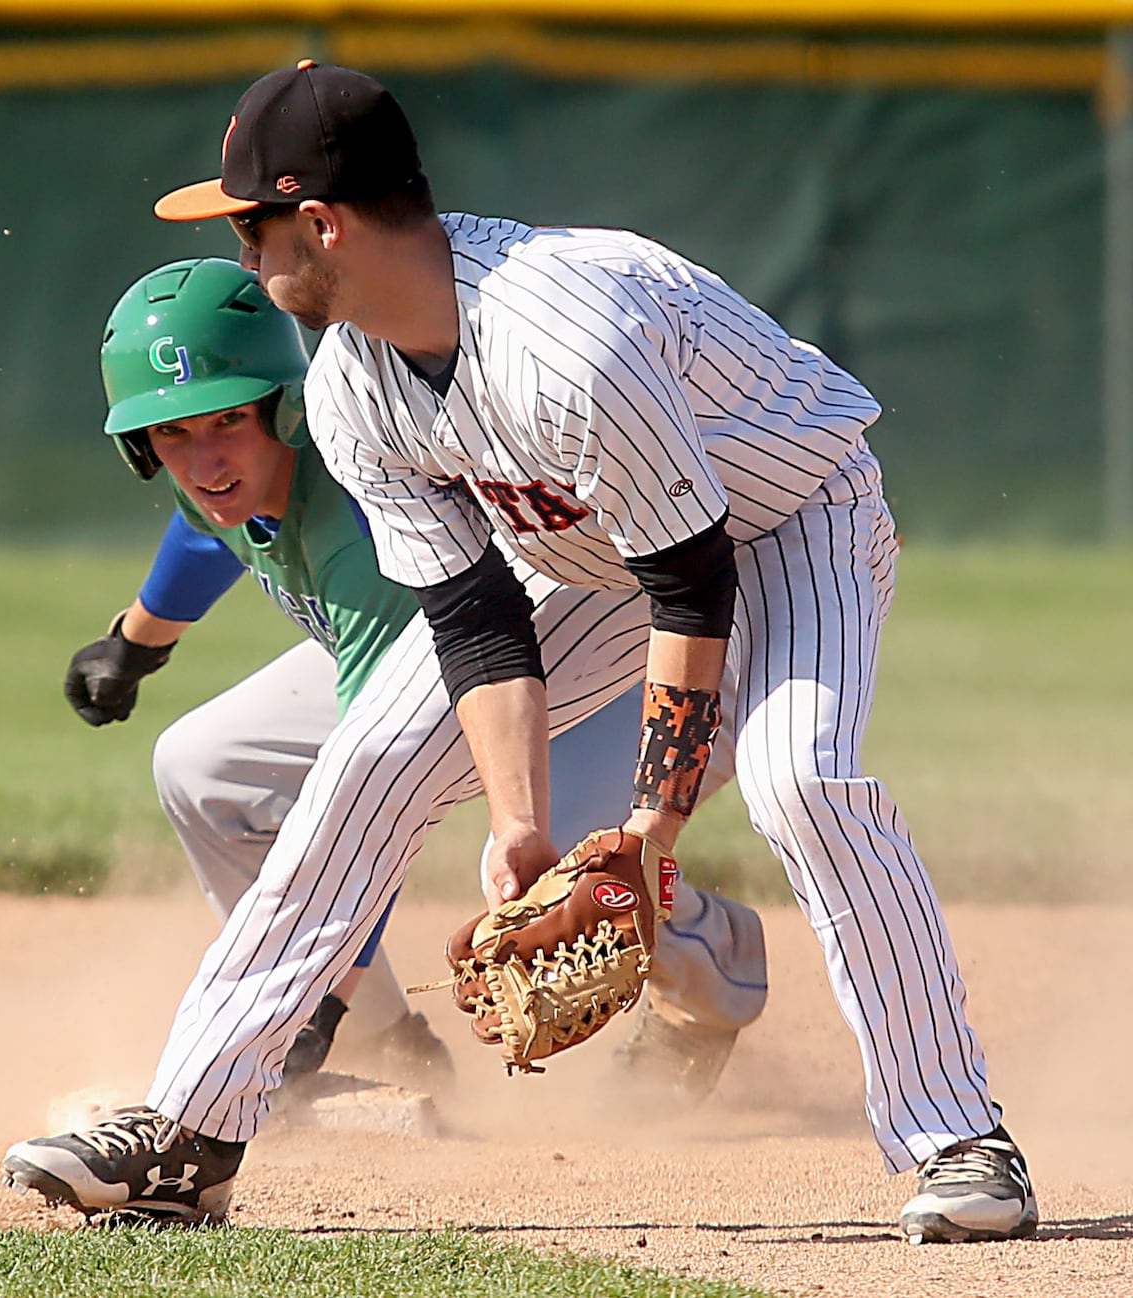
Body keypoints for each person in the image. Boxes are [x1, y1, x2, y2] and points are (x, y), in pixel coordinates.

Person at [143, 62, 1039, 1246]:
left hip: (789, 519)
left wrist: (649, 832)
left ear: (322, 222)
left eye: (252, 226)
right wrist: (521, 825)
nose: (249, 259)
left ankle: (959, 1137)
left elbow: (692, 575)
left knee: (798, 778)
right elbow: (473, 619)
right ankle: (187, 1133)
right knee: (371, 757)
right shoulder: (356, 375)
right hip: (590, 556)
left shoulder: (567, 334)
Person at [1, 256, 767, 1220]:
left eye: (229, 420)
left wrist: (308, 1003)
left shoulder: (356, 515)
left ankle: (715, 962)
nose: (206, 459)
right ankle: (385, 1039)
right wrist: (137, 640)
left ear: (282, 408)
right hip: (435, 659)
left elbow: (375, 784)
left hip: (599, 669)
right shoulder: (228, 475)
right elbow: (212, 529)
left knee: (567, 869)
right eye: (174, 433)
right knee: (205, 768)